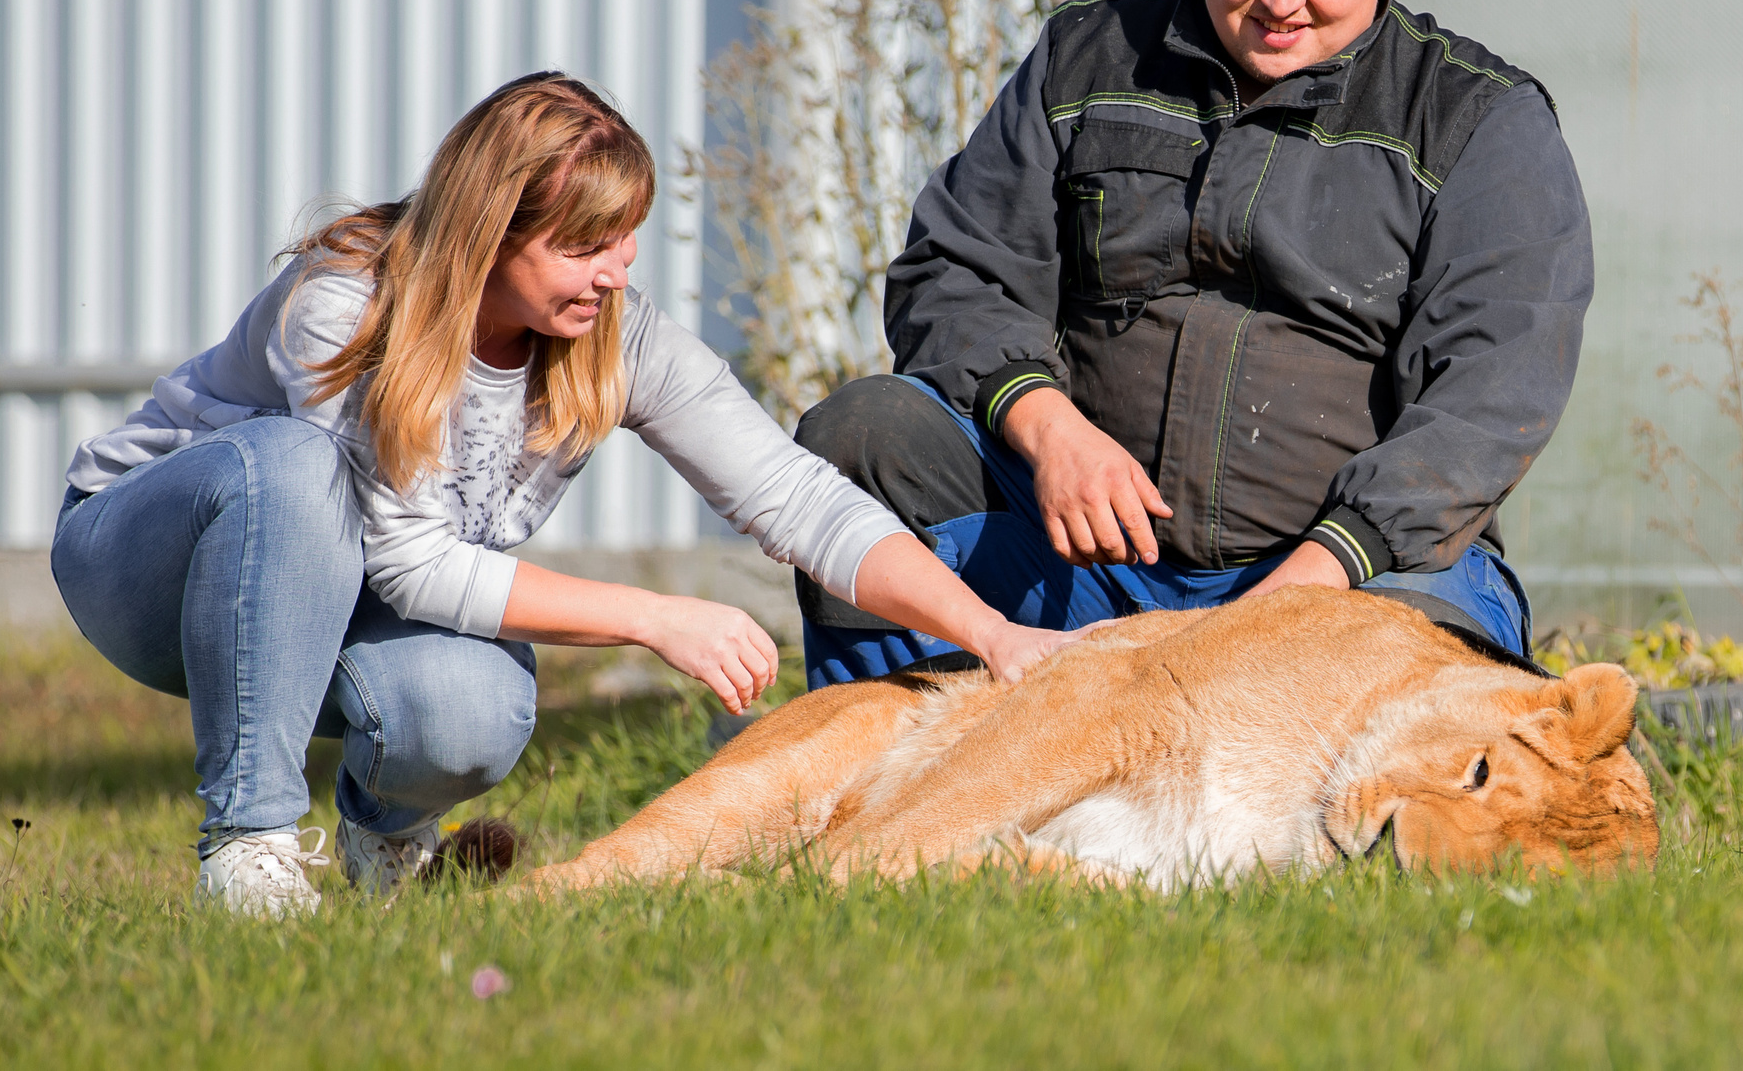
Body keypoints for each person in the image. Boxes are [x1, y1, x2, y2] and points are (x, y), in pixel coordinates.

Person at [54, 74, 1068, 916]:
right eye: (584, 246)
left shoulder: (612, 336)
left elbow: (799, 498)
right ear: (489, 234)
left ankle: (384, 837)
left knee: (475, 708)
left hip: (351, 591)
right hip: (155, 567)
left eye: (626, 238)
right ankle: (252, 847)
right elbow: (404, 554)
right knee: (289, 466)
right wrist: (654, 618)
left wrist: (992, 635)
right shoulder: (346, 304)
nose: (615, 272)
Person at [792, 0, 1592, 685]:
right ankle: (899, 785)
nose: (1281, 0)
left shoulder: (1481, 124)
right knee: (864, 437)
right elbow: (955, 272)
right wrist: (1046, 426)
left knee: (1439, 684)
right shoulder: (1085, 60)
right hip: (1081, 569)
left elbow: (1489, 403)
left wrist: (1312, 581)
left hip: (1350, 573)